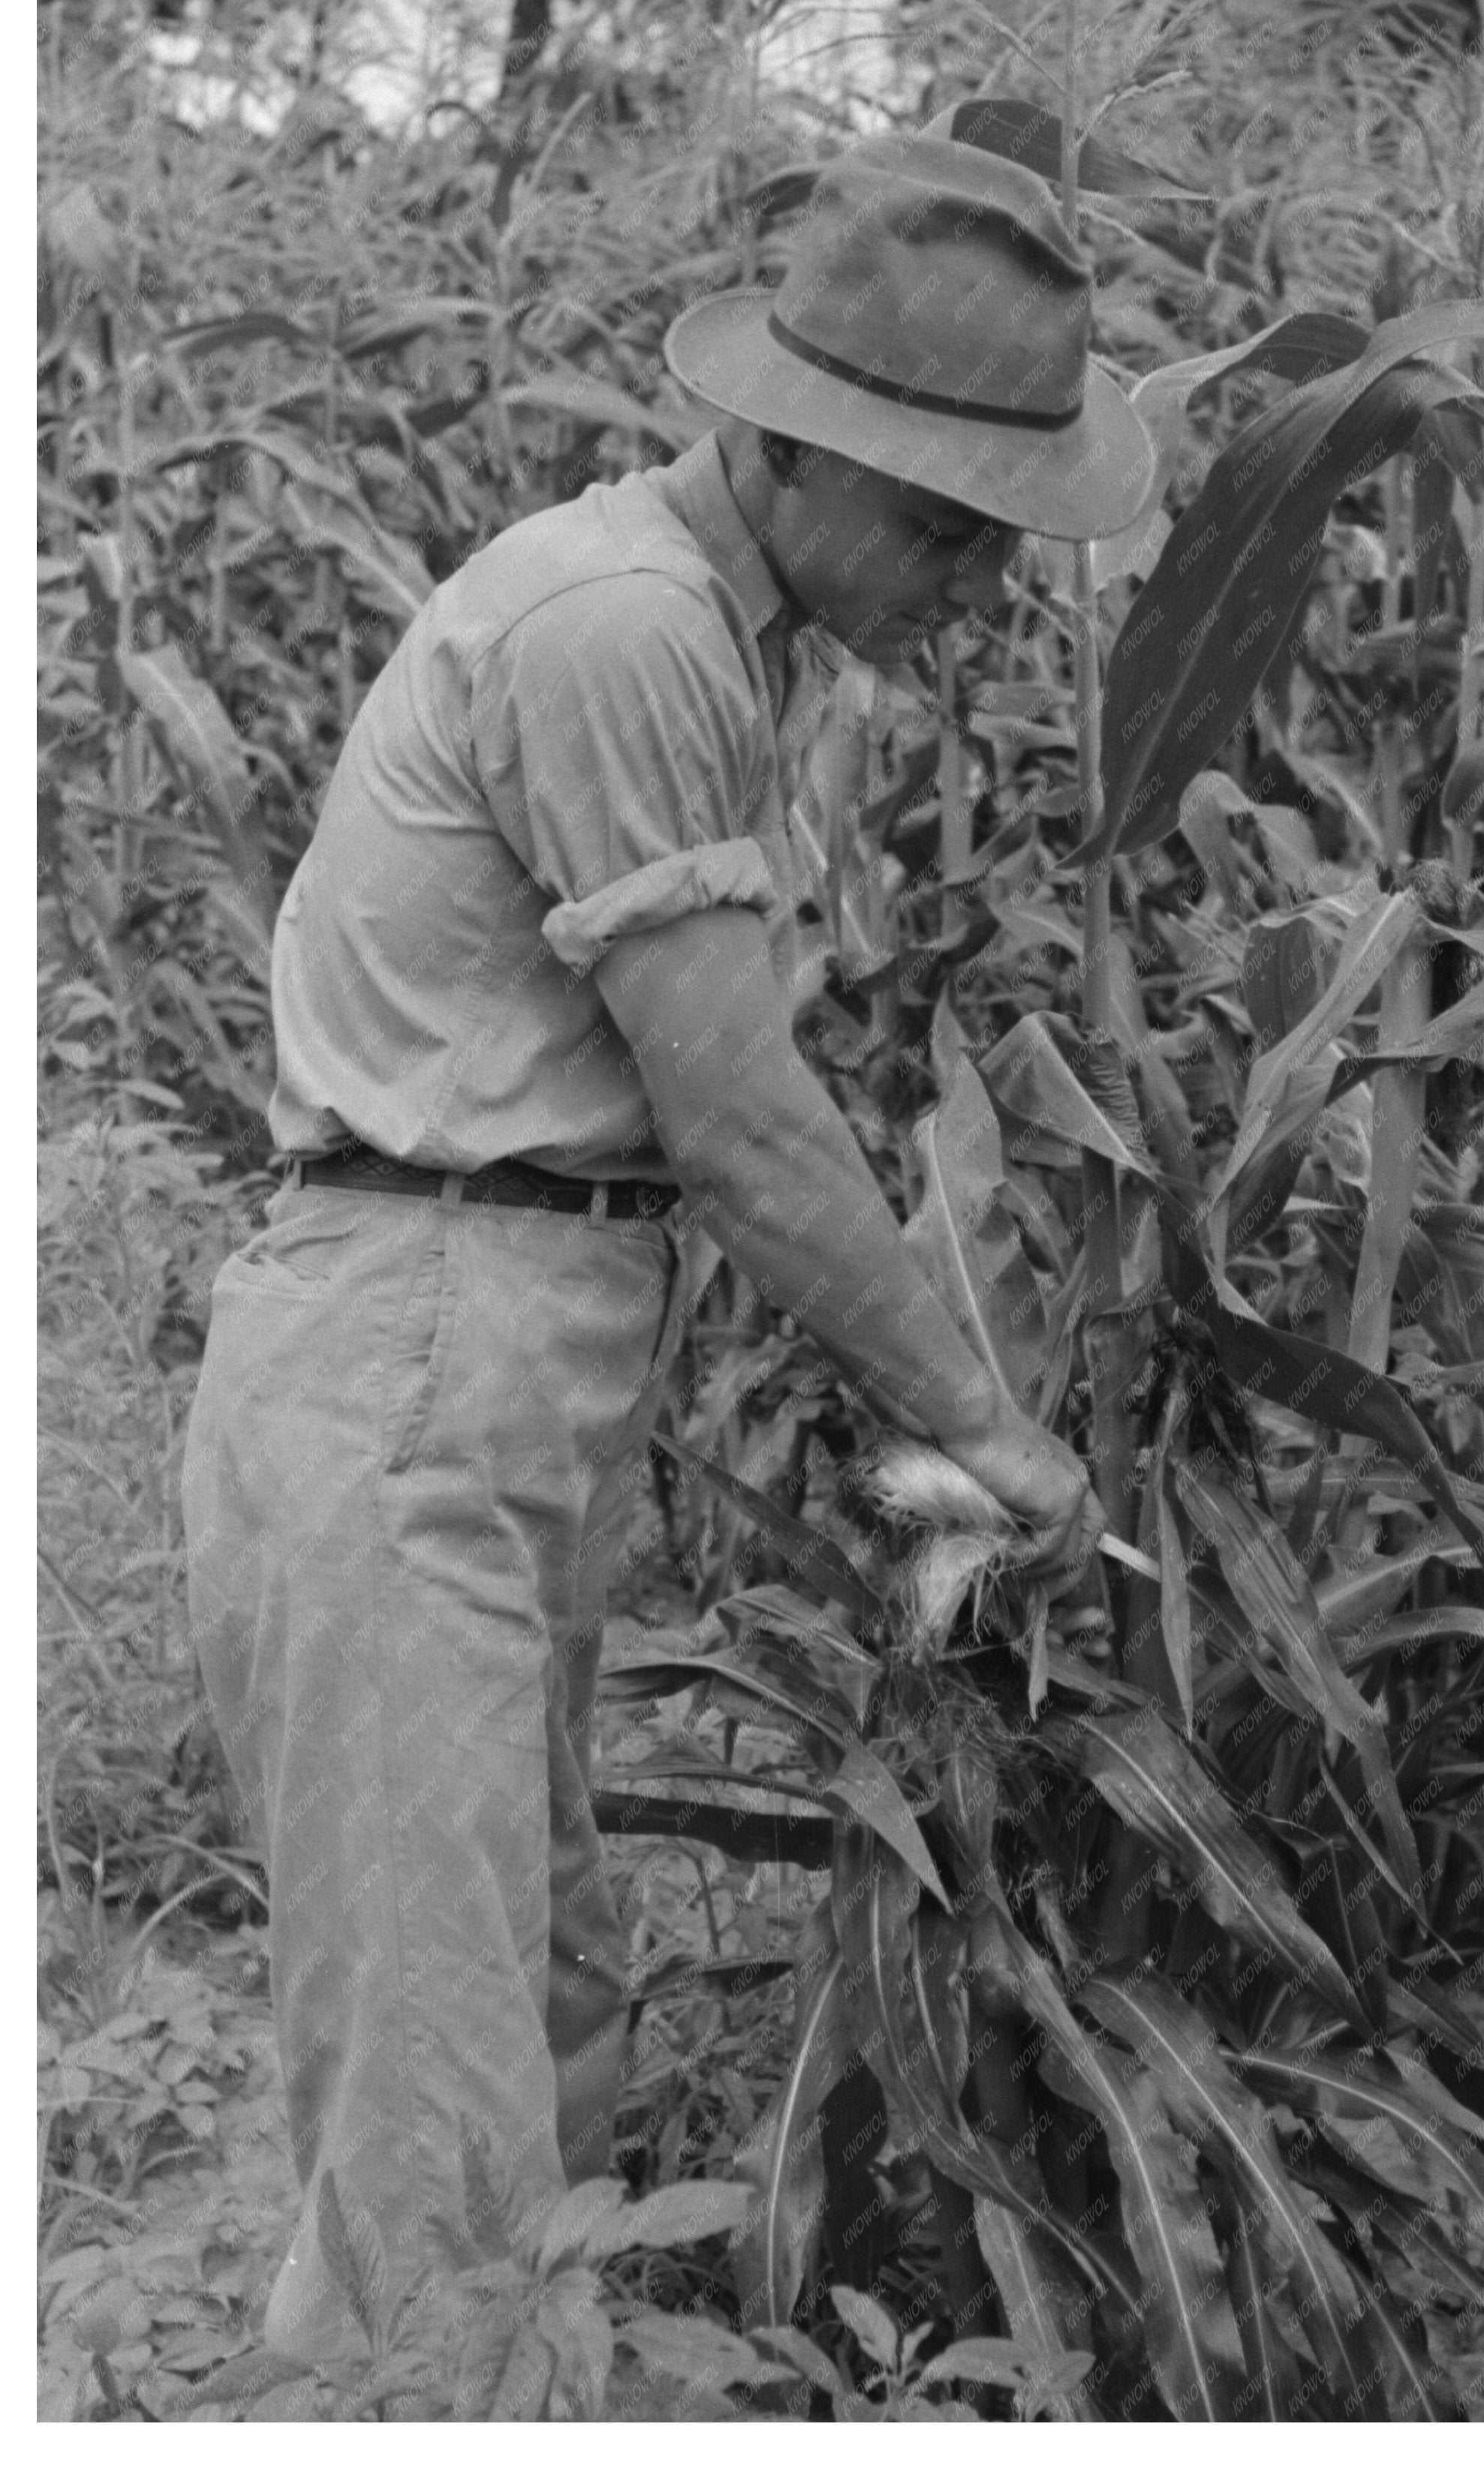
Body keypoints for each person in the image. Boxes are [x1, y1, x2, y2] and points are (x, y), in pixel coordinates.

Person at [180, 131, 1160, 2362]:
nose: (970, 584)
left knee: (536, 2013)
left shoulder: (718, 628)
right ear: (787, 451)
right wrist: (985, 1426)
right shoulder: (626, 632)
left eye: (993, 535)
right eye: (932, 524)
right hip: (418, 1349)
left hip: (497, 1351)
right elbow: (739, 1121)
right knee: (445, 2114)